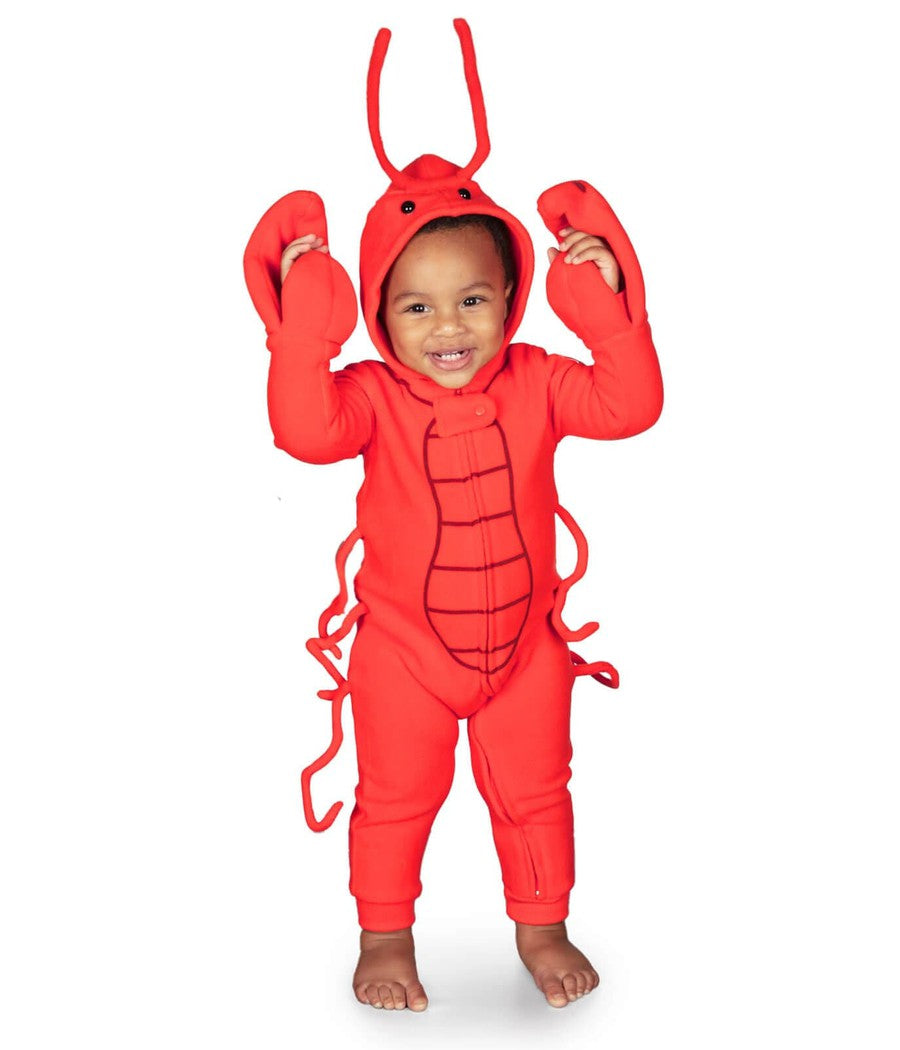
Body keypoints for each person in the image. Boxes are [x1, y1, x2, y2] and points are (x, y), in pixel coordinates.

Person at [243, 19, 663, 1012]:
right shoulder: (369, 396)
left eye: (473, 300)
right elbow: (304, 434)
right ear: (374, 311)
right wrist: (302, 339)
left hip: (526, 647)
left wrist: (610, 313)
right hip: (404, 652)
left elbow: (631, 407)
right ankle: (385, 940)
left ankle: (542, 929)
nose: (449, 329)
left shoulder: (539, 379)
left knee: (538, 792)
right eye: (417, 308)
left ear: (513, 295)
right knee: (395, 800)